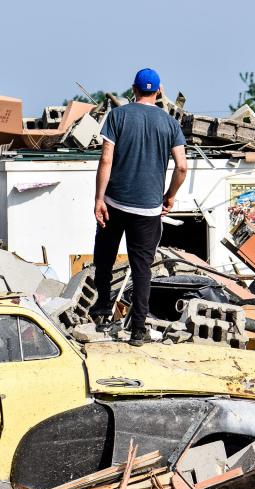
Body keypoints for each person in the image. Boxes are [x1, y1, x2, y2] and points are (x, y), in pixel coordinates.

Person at [89, 68, 187, 346]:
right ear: (159, 91)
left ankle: (103, 307)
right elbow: (181, 166)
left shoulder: (118, 116)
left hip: (114, 203)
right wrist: (169, 195)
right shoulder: (170, 124)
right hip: (148, 209)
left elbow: (106, 160)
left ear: (133, 88)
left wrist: (99, 198)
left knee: (105, 258)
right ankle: (138, 330)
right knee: (142, 267)